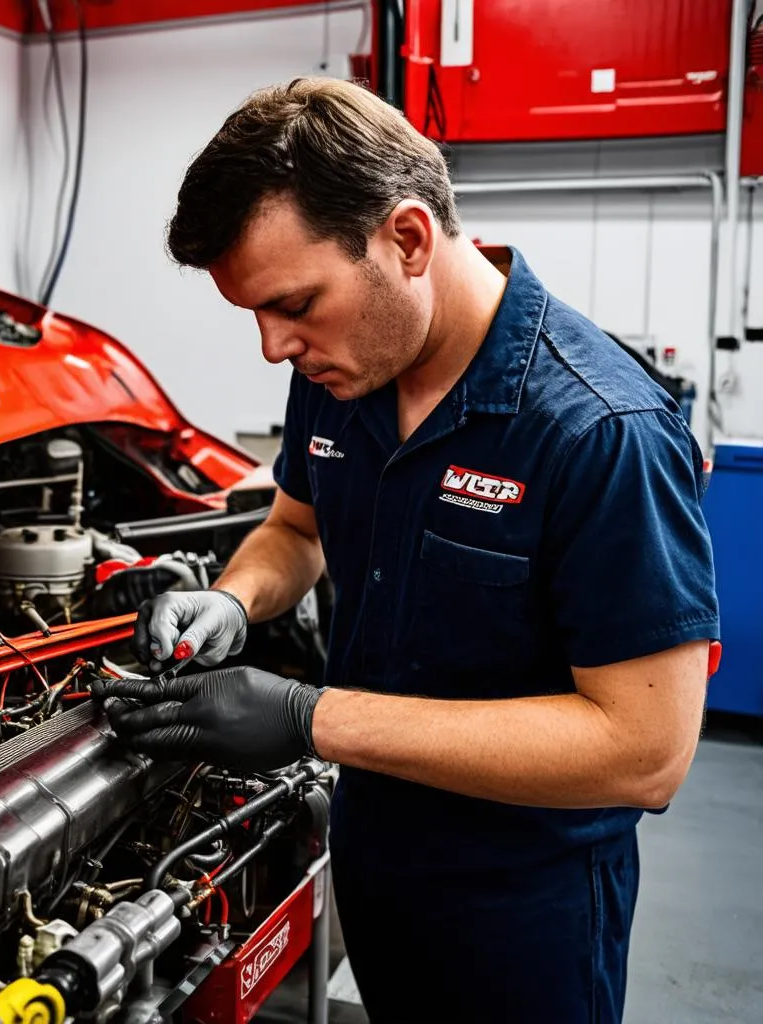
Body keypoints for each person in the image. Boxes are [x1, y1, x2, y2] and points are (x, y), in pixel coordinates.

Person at [91, 77, 720, 1023]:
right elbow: (295, 530)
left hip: (524, 911)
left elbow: (645, 751)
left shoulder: (599, 430)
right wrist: (235, 598)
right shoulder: (342, 371)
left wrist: (307, 717)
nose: (273, 347)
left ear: (409, 240)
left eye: (295, 303)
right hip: (378, 856)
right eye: (255, 314)